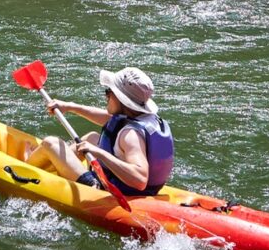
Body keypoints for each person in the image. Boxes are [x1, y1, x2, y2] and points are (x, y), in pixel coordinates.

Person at [25, 66, 174, 196]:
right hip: (140, 189)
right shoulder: (146, 119)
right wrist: (70, 106)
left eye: (109, 91)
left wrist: (99, 153)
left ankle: (26, 165)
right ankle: (52, 163)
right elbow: (109, 119)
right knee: (93, 138)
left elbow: (140, 179)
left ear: (122, 100)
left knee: (51, 143)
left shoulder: (130, 136)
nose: (106, 95)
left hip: (104, 188)